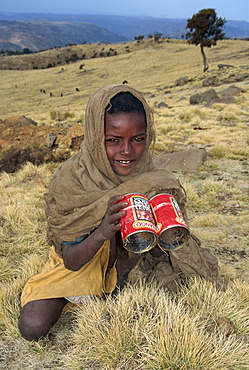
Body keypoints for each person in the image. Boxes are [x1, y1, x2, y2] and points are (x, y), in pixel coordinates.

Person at [19, 84, 223, 341]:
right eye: (113, 140)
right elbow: (71, 260)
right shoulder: (71, 179)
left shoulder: (148, 174)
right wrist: (103, 231)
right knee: (33, 326)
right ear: (95, 136)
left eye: (137, 139)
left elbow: (167, 227)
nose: (127, 151)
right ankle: (96, 287)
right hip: (79, 260)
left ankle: (118, 279)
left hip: (125, 254)